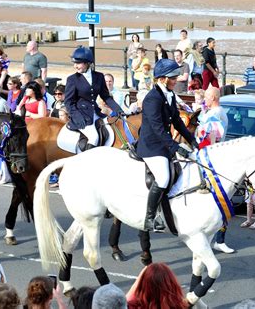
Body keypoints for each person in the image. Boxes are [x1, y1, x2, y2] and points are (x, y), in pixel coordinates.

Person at [136, 58, 198, 231]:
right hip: (151, 146)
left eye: (176, 76)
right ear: (162, 79)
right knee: (163, 177)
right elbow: (157, 128)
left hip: (163, 143)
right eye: (173, 77)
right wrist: (175, 147)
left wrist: (192, 140)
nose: (176, 79)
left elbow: (177, 121)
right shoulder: (152, 98)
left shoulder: (168, 95)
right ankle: (149, 218)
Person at [196, 88, 234, 253]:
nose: (204, 99)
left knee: (220, 200)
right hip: (212, 157)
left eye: (206, 97)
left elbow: (209, 138)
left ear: (213, 97)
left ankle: (218, 238)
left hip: (210, 160)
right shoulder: (215, 112)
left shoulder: (215, 114)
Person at [64, 46, 124, 150]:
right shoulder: (72, 79)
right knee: (94, 137)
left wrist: (119, 110)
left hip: (96, 113)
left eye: (78, 63)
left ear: (87, 63)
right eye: (74, 63)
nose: (75, 66)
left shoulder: (99, 76)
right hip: (80, 115)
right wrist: (77, 117)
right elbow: (68, 102)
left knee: (112, 129)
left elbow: (106, 97)